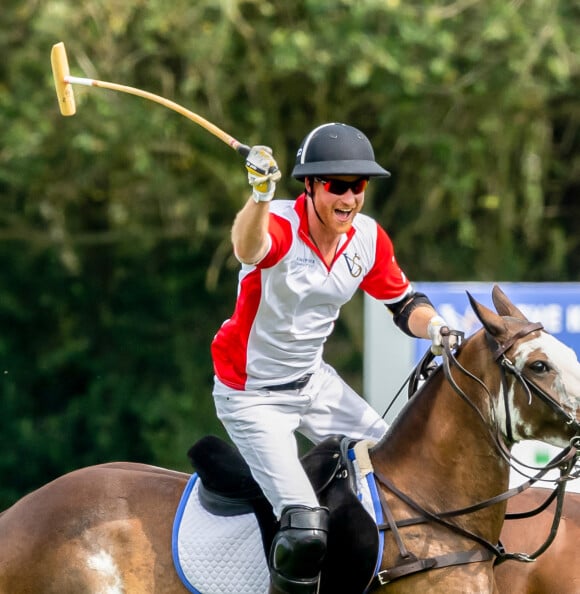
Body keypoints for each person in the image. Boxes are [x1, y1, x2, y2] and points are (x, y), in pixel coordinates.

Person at [210, 122, 458, 594]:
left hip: (314, 385)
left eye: (358, 186)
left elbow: (404, 304)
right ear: (309, 185)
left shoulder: (366, 238)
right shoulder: (279, 225)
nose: (349, 198)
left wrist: (438, 328)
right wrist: (260, 195)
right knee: (304, 528)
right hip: (252, 396)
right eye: (336, 186)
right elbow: (246, 246)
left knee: (401, 473)